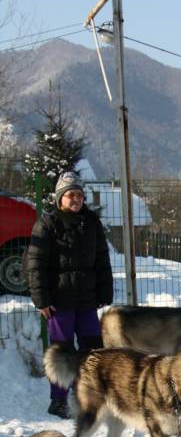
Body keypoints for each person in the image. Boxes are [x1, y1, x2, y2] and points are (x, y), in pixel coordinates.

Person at [26, 171, 113, 418]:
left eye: (79, 195)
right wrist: (42, 300)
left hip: (86, 301)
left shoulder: (92, 223)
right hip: (58, 303)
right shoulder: (47, 224)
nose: (76, 199)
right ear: (60, 198)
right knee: (62, 352)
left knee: (93, 350)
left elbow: (102, 260)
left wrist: (104, 291)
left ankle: (91, 395)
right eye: (70, 195)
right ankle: (58, 400)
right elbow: (35, 264)